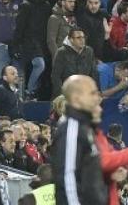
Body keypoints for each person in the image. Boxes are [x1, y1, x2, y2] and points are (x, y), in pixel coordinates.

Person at [52, 74, 107, 205]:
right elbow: (68, 177)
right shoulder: (71, 128)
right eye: (92, 93)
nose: (97, 97)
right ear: (76, 99)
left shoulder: (85, 127)